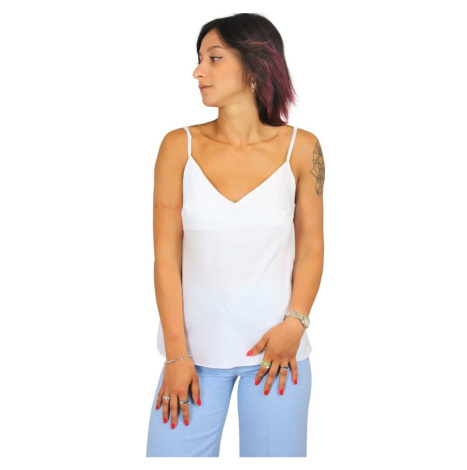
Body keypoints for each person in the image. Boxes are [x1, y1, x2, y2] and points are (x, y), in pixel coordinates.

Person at [146, 13, 325, 457]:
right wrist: (176, 355)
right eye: (199, 58)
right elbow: (166, 258)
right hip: (193, 359)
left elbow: (311, 247)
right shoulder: (178, 147)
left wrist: (295, 323)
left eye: (214, 58)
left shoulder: (302, 148)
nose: (198, 71)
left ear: (255, 65)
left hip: (277, 356)